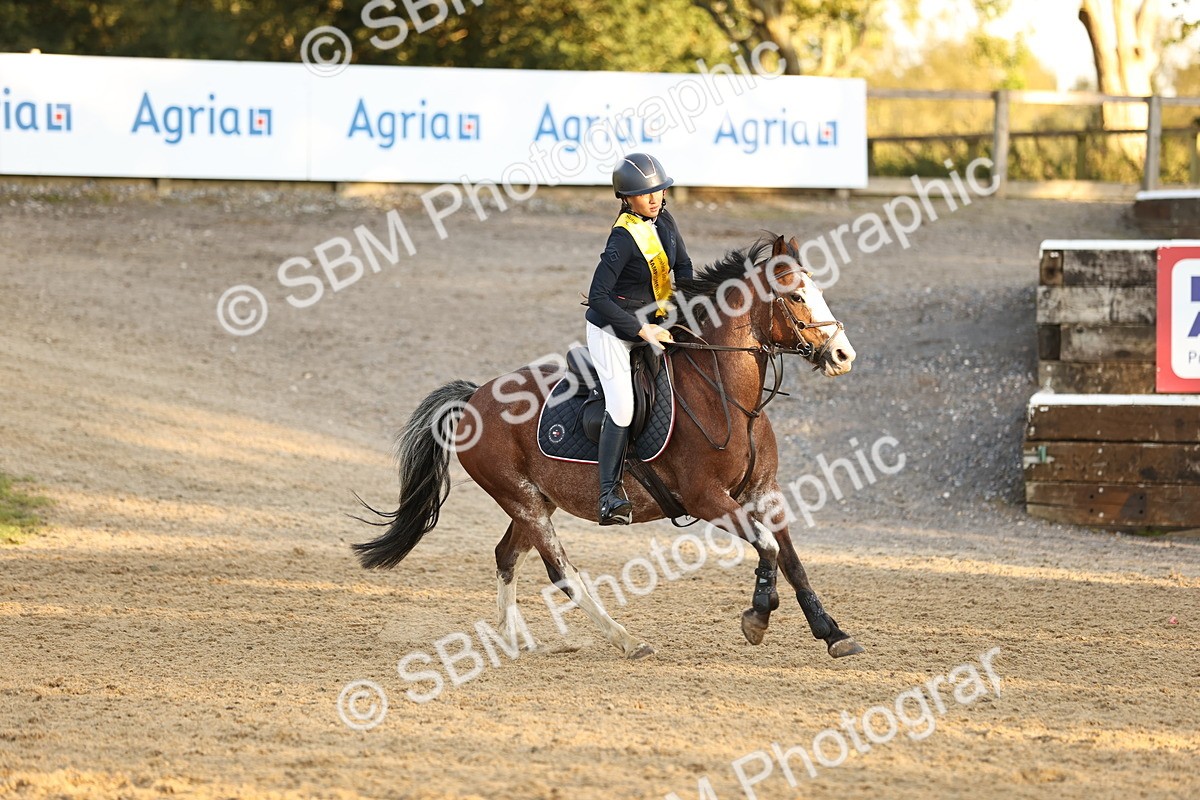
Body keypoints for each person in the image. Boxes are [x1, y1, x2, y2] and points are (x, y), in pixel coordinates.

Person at [585, 152, 693, 525]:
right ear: (626, 198)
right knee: (623, 407)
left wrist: (689, 307)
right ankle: (608, 495)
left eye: (659, 191)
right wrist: (640, 329)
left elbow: (684, 267)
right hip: (613, 331)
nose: (654, 199)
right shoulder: (622, 239)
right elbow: (598, 297)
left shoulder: (665, 221)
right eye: (645, 194)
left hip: (657, 323)